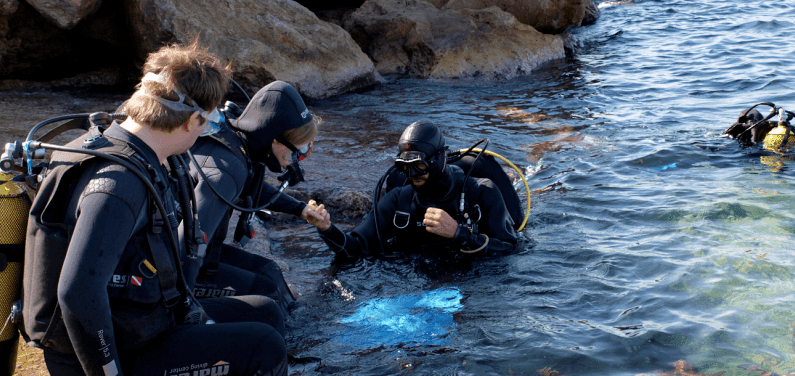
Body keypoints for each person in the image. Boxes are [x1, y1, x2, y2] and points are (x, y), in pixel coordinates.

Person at [22, 42, 287, 376]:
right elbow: (77, 293)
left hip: (141, 322)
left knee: (266, 312)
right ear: (192, 120)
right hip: (110, 354)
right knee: (265, 347)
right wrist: (108, 371)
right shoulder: (118, 184)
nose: (208, 129)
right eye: (209, 121)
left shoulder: (131, 147)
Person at [184, 80, 322, 315]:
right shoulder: (226, 171)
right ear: (274, 139)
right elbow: (188, 245)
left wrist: (299, 209)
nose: (294, 161)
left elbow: (253, 189)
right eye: (295, 152)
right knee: (265, 295)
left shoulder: (237, 144)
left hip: (201, 253)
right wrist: (182, 308)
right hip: (173, 268)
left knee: (269, 270)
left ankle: (300, 323)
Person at [305, 120, 518, 258]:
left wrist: (458, 233)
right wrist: (326, 229)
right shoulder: (400, 200)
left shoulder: (481, 193)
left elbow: (510, 249)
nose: (412, 174)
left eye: (419, 165)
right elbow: (355, 248)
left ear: (439, 159)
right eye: (405, 166)